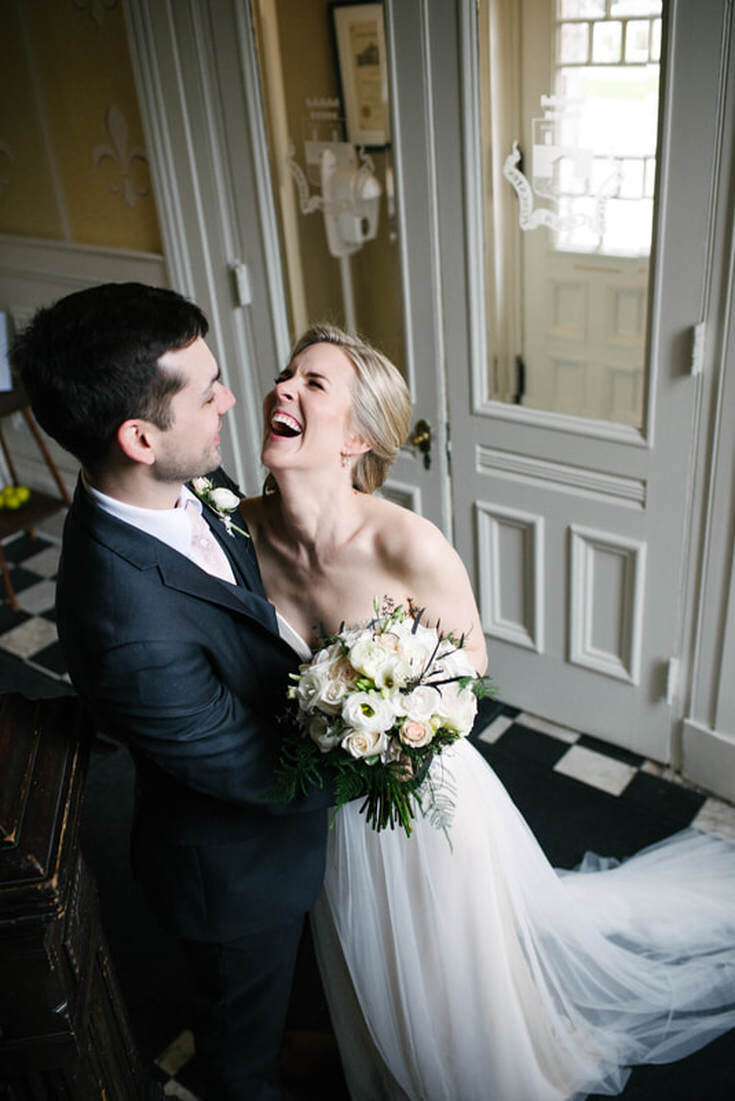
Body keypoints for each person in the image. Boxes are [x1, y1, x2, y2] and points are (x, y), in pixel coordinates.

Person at [240, 322, 735, 1101]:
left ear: (357, 437)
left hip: (417, 793)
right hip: (318, 803)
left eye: (313, 383)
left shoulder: (409, 545)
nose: (283, 389)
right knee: (360, 950)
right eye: (285, 374)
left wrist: (392, 721)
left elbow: (469, 673)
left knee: (448, 970)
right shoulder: (243, 530)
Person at [11, 282, 334, 1101]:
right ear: (140, 436)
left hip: (272, 843)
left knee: (290, 999)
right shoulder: (124, 624)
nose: (234, 397)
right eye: (208, 389)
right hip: (231, 876)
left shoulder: (179, 488)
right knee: (240, 1051)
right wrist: (392, 753)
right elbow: (260, 771)